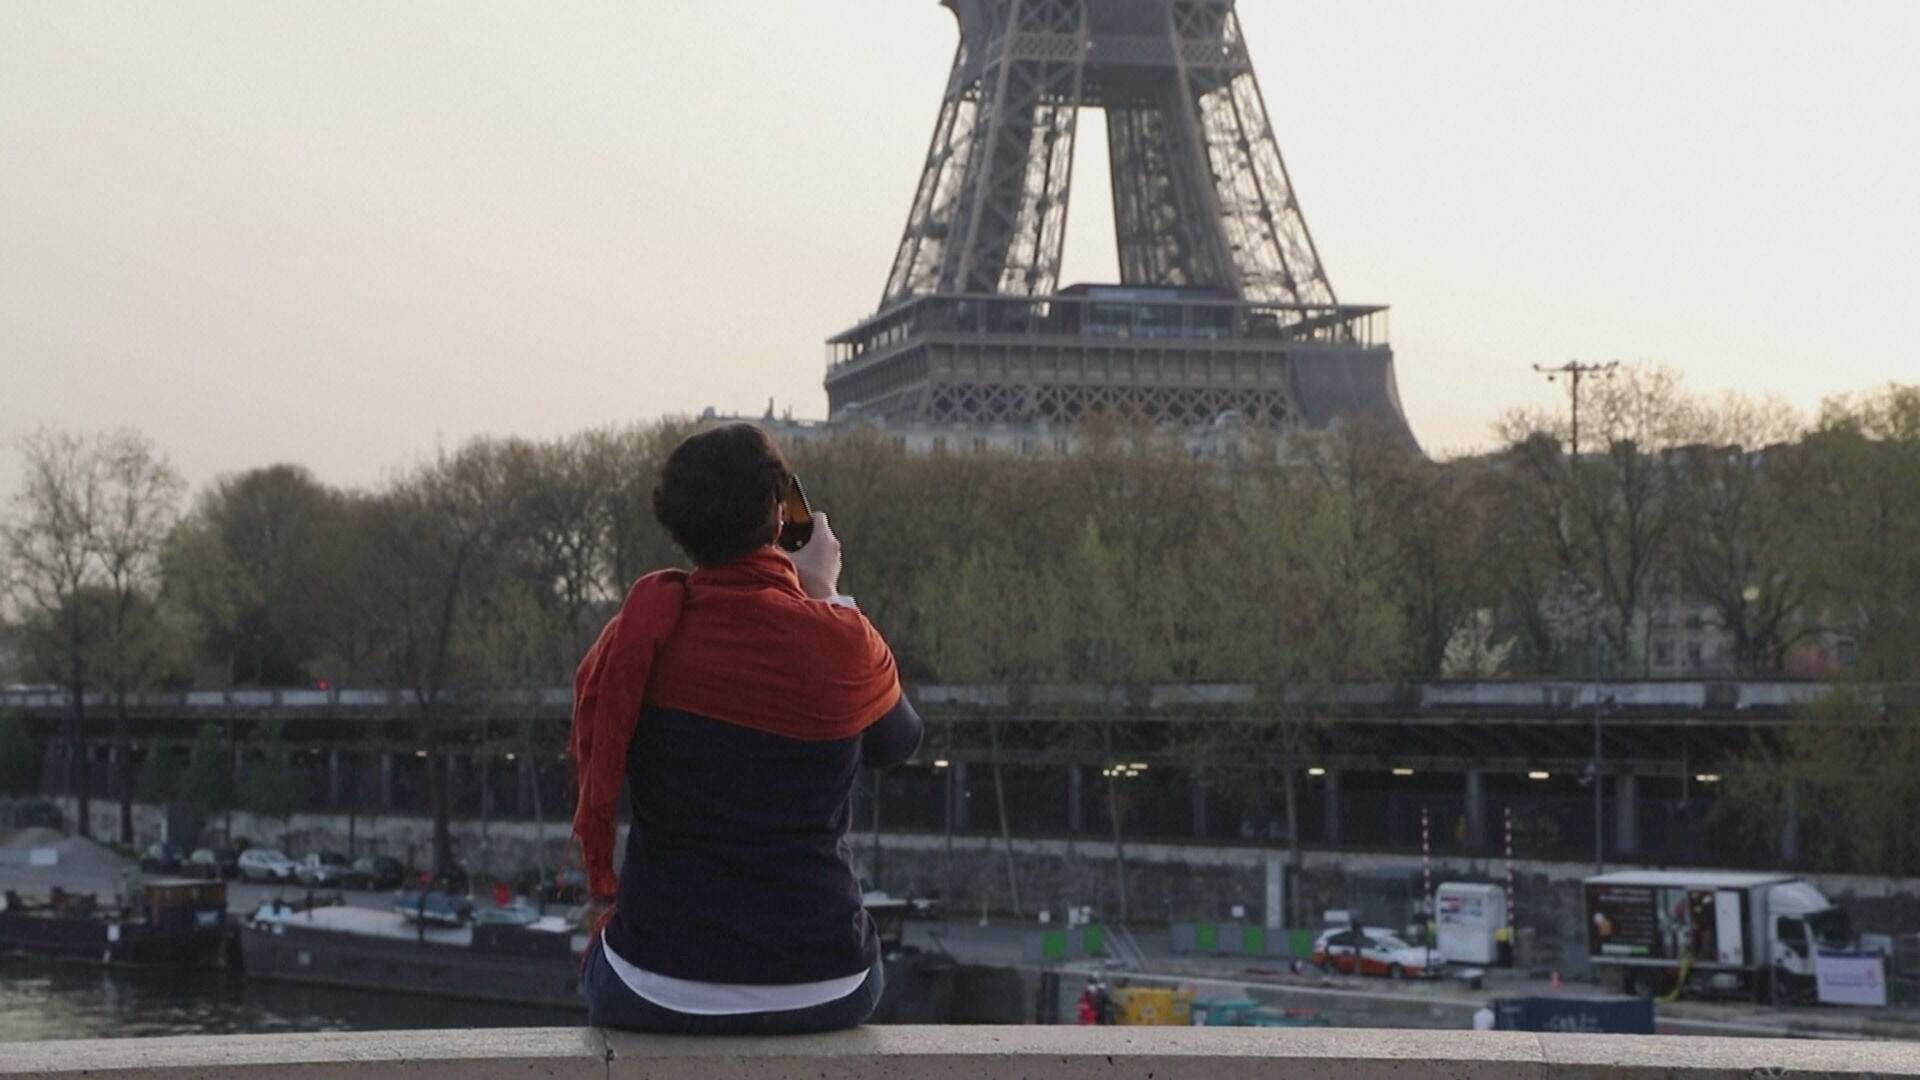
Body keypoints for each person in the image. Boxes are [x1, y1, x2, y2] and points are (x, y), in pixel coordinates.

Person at [572, 423, 923, 1034]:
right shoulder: (839, 643)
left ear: (676, 524)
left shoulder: (637, 644)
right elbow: (898, 742)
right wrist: (825, 591)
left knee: (601, 960)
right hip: (828, 980)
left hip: (656, 983)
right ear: (783, 513)